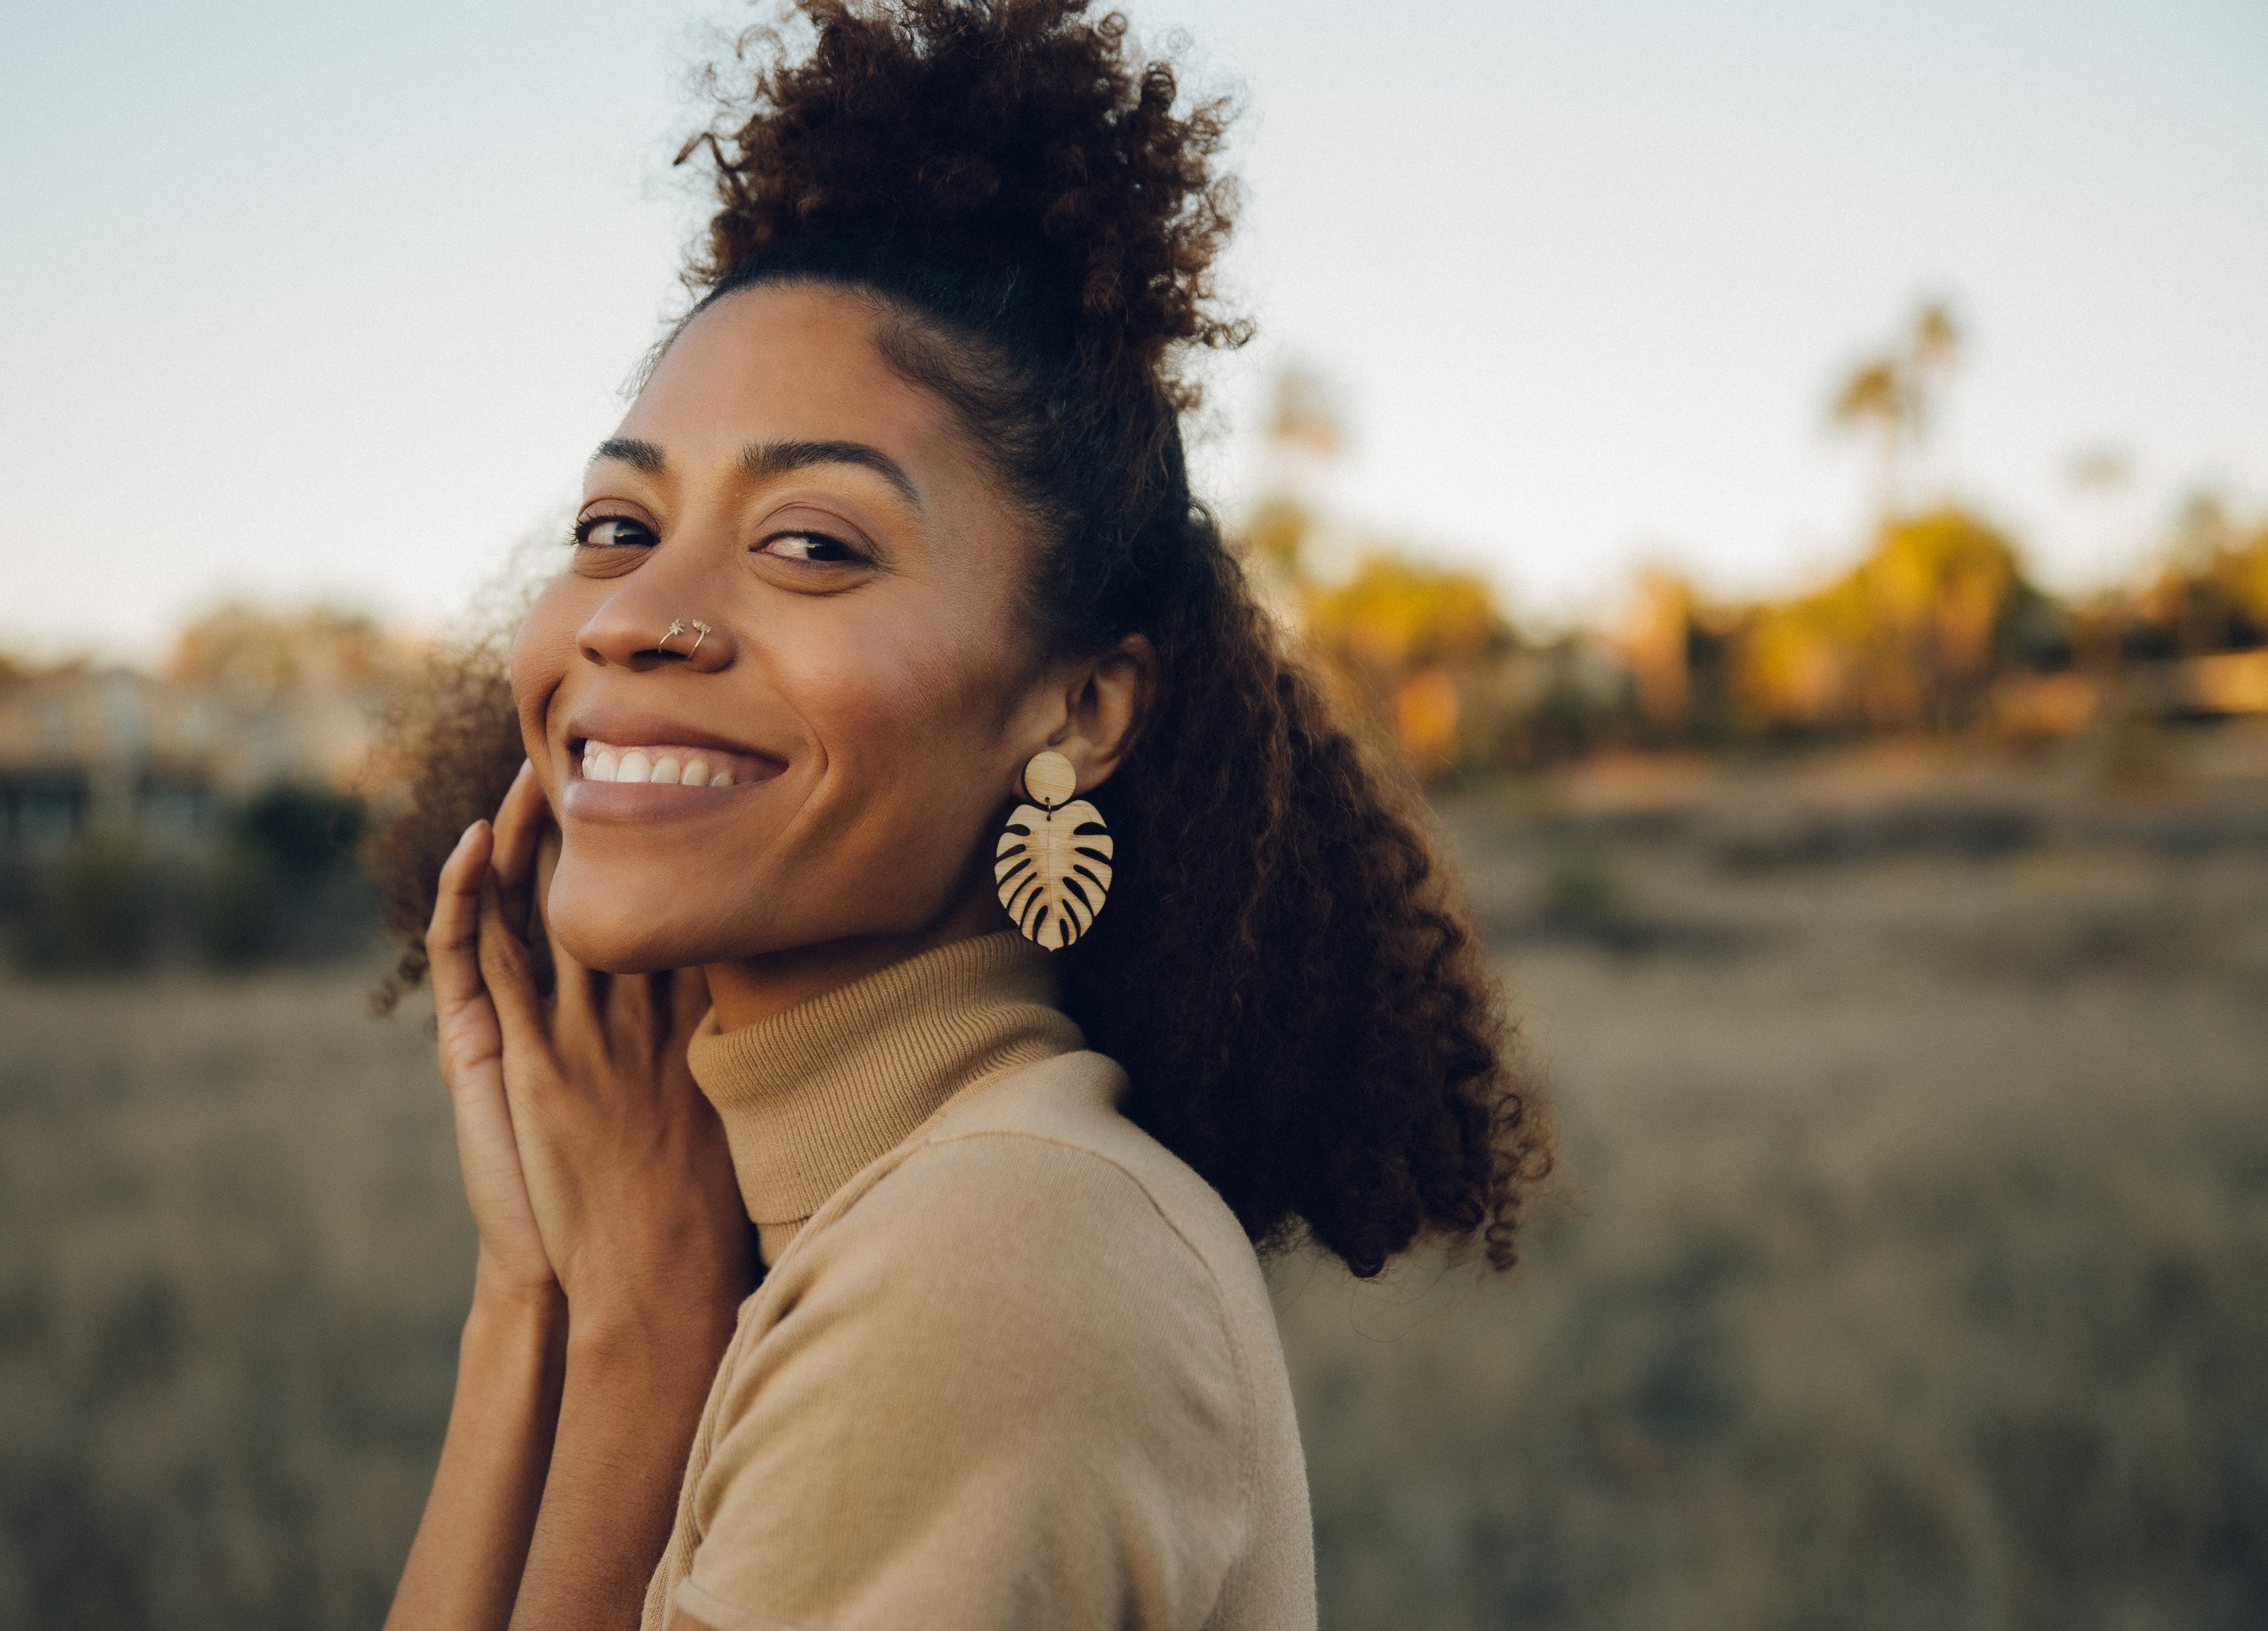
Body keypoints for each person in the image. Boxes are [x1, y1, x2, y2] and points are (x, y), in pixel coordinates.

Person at [371, 2, 1551, 1626]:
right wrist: (537, 1305)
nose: (638, 611)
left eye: (814, 544)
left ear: (1076, 706)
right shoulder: (823, 1217)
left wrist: (643, 1334)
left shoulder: (1000, 1251)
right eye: (613, 520)